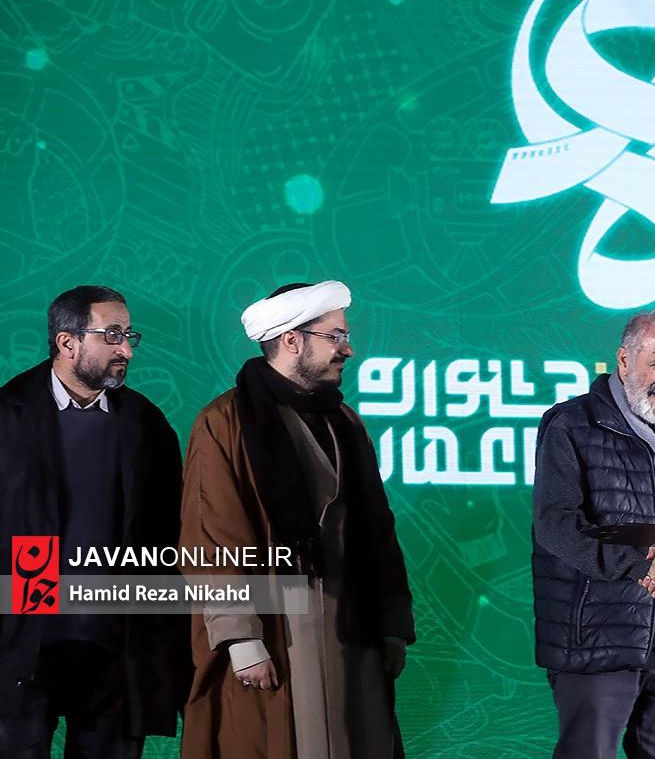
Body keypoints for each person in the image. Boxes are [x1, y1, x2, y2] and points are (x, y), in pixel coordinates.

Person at [178, 280, 415, 759]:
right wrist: (242, 638)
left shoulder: (346, 422)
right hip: (277, 628)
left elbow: (380, 535)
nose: (347, 349)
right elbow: (213, 536)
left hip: (354, 628)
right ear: (292, 340)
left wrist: (391, 623)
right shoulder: (225, 421)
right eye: (335, 337)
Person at [0, 285, 189, 758]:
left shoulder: (147, 424)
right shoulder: (7, 416)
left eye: (128, 336)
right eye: (112, 335)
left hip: (117, 647)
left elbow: (169, 540)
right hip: (23, 642)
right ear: (67, 342)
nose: (126, 350)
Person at [531, 309, 655, 759]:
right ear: (624, 360)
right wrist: (640, 565)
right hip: (596, 639)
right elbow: (555, 525)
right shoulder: (572, 423)